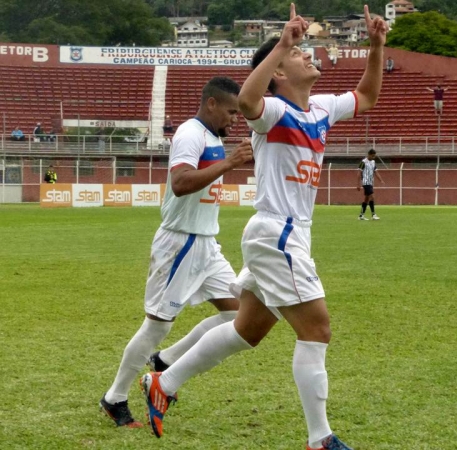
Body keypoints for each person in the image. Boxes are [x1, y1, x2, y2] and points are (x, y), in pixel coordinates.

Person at [140, 5, 388, 449]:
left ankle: (165, 382)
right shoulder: (271, 110)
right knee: (317, 330)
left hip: (286, 234)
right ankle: (320, 439)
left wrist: (376, 47)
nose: (308, 55)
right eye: (299, 55)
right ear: (278, 73)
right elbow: (250, 101)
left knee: (246, 330)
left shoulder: (322, 108)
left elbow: (366, 97)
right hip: (278, 234)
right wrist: (281, 45)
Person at [99, 77, 253, 428]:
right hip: (179, 244)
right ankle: (115, 397)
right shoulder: (190, 133)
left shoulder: (213, 137)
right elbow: (181, 183)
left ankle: (165, 361)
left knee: (240, 317)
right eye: (231, 111)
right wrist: (230, 164)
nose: (235, 118)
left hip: (207, 245)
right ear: (211, 104)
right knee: (156, 326)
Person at [357, 149, 385, 220]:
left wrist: (381, 180)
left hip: (370, 182)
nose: (373, 157)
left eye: (374, 156)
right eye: (372, 156)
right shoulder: (363, 162)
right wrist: (358, 184)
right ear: (369, 154)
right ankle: (373, 214)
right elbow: (359, 173)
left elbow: (376, 172)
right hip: (365, 182)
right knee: (372, 197)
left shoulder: (373, 162)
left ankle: (361, 215)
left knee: (366, 199)